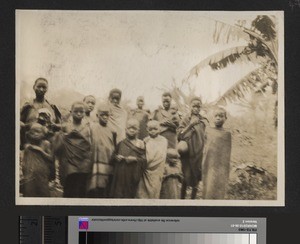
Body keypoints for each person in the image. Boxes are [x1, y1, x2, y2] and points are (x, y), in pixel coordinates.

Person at [54, 102, 92, 198]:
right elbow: (59, 142)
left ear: (84, 113)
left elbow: (88, 146)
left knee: (81, 188)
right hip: (69, 162)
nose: (79, 114)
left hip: (83, 163)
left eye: (81, 111)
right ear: (71, 112)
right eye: (76, 111)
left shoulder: (88, 129)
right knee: (69, 188)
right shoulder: (66, 126)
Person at [177, 97, 207, 199]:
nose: (196, 108)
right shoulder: (186, 119)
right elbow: (179, 135)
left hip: (199, 152)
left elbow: (205, 136)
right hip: (187, 152)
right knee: (186, 176)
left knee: (196, 177)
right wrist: (190, 125)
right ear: (190, 106)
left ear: (201, 108)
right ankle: (181, 200)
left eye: (198, 106)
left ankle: (193, 201)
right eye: (194, 106)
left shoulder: (203, 121)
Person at [20, 77, 61, 149]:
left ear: (47, 89)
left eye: (44, 87)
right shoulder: (28, 106)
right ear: (34, 87)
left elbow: (59, 126)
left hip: (49, 146)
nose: (41, 89)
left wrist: (52, 125)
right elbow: (19, 123)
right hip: (31, 145)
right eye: (39, 87)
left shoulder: (52, 107)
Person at [110, 118, 147, 198]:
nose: (132, 130)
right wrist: (116, 157)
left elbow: (144, 161)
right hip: (120, 176)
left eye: (134, 128)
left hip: (133, 176)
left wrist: (135, 159)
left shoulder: (141, 144)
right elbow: (112, 158)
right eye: (129, 128)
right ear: (125, 129)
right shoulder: (121, 143)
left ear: (138, 130)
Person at [87, 104, 117, 198]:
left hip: (107, 160)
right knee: (94, 184)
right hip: (95, 159)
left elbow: (114, 146)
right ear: (97, 115)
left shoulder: (113, 130)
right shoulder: (92, 127)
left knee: (105, 185)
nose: (105, 117)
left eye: (107, 115)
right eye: (102, 114)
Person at [202, 107, 232, 199]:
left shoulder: (227, 134)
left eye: (221, 116)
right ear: (213, 117)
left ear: (225, 118)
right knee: (209, 184)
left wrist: (225, 166)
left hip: (221, 166)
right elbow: (205, 147)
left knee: (219, 184)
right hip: (209, 163)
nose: (218, 118)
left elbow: (227, 153)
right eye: (216, 116)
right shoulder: (208, 130)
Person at [136, 120, 168, 199]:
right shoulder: (145, 140)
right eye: (150, 129)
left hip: (157, 171)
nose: (153, 131)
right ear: (147, 130)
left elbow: (161, 155)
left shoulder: (163, 140)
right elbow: (143, 154)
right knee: (142, 192)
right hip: (146, 171)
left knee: (154, 190)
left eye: (155, 129)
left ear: (159, 129)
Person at [21, 123, 54, 197]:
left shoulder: (46, 144)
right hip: (30, 175)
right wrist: (25, 174)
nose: (35, 134)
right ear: (29, 134)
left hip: (43, 174)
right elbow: (24, 163)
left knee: (43, 193)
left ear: (43, 134)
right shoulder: (28, 147)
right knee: (29, 193)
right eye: (32, 132)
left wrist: (40, 150)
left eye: (38, 132)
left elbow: (51, 158)